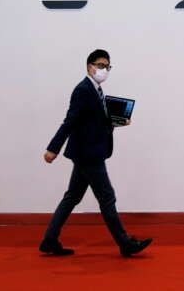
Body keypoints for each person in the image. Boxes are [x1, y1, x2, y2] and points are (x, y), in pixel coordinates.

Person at [39, 49, 152, 257]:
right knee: (107, 197)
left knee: (72, 196)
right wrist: (53, 148)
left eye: (107, 66)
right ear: (89, 67)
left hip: (88, 152)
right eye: (101, 65)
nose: (104, 70)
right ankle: (125, 243)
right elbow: (70, 121)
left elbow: (92, 123)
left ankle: (49, 240)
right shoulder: (83, 90)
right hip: (89, 154)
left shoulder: (96, 90)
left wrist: (115, 122)